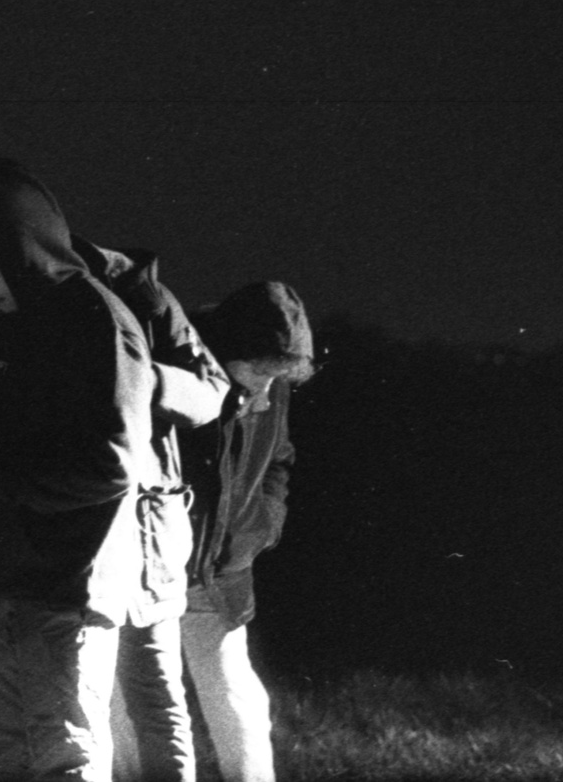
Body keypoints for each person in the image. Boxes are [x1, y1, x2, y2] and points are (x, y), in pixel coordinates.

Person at [0, 159, 164, 782]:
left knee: (63, 758)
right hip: (0, 580)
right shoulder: (6, 326)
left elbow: (111, 464)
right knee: (3, 757)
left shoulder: (97, 322)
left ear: (19, 251)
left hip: (64, 587)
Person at [71, 236, 232, 782]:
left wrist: (136, 375)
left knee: (156, 695)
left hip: (147, 532)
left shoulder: (147, 299)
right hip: (89, 530)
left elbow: (211, 391)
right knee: (83, 705)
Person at [180, 281, 315, 782]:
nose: (266, 388)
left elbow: (280, 458)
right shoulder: (183, 371)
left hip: (224, 565)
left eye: (277, 376)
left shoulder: (272, 380)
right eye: (258, 371)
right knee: (141, 695)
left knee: (234, 692)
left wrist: (263, 526)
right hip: (158, 563)